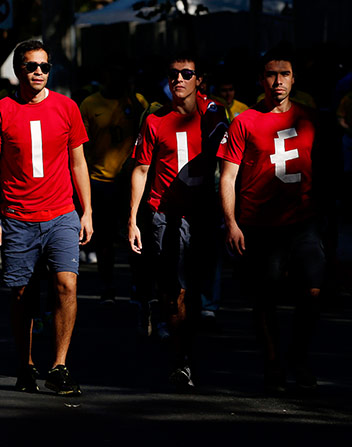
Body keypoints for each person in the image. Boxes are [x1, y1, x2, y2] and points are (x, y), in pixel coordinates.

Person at [0, 40, 93, 396]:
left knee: (67, 285)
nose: (39, 72)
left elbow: (78, 162)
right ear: (19, 71)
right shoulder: (1, 111)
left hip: (62, 213)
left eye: (44, 66)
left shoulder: (67, 107)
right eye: (32, 66)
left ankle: (59, 366)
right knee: (23, 295)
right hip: (18, 217)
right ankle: (25, 365)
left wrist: (87, 211)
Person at [218, 47, 325, 393]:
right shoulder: (244, 121)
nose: (277, 81)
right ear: (261, 79)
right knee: (265, 299)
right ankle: (273, 363)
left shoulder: (309, 118)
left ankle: (299, 357)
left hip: (303, 222)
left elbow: (324, 173)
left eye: (284, 74)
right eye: (270, 74)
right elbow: (227, 176)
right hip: (260, 225)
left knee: (312, 291)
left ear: (294, 79)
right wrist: (231, 222)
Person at [128, 54, 228, 390]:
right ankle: (181, 360)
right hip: (164, 213)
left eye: (187, 74)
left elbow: (227, 150)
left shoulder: (213, 112)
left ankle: (182, 334)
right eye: (173, 74)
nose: (179, 79)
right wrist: (132, 219)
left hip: (202, 212)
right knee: (176, 289)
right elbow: (141, 169)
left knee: (195, 289)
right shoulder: (155, 120)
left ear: (199, 79)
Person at [80, 64, 148, 303]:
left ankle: (138, 284)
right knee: (105, 239)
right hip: (100, 181)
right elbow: (82, 144)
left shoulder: (137, 101)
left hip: (129, 181)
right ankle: (107, 284)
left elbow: (148, 131)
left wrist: (132, 99)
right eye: (111, 73)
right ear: (103, 76)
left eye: (120, 74)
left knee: (134, 233)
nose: (115, 78)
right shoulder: (89, 104)